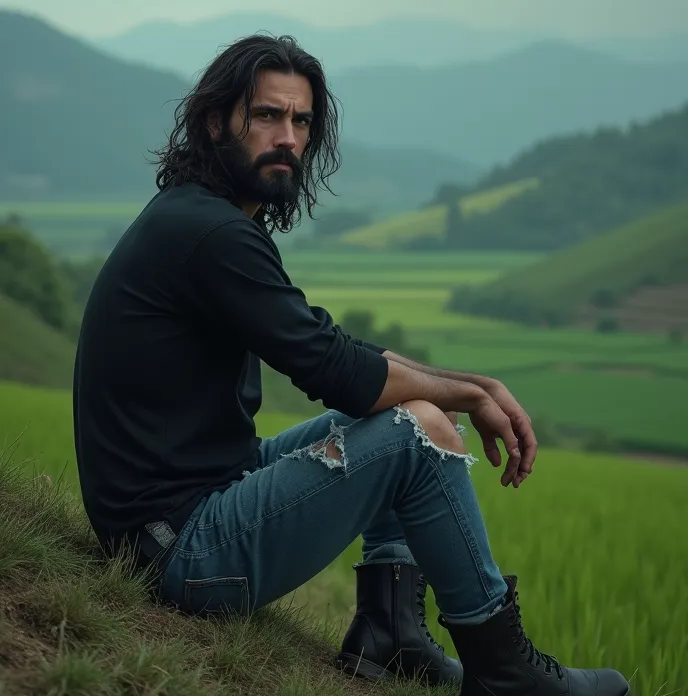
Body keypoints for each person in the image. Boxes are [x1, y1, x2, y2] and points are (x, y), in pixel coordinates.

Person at [73, 34, 630, 694]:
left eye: (301, 121)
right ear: (216, 120)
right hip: (177, 549)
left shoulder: (203, 221)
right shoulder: (212, 235)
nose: (288, 137)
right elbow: (336, 370)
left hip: (192, 504)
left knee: (409, 412)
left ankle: (389, 633)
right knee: (414, 432)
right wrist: (465, 398)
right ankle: (502, 668)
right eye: (266, 116)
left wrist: (469, 388)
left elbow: (339, 352)